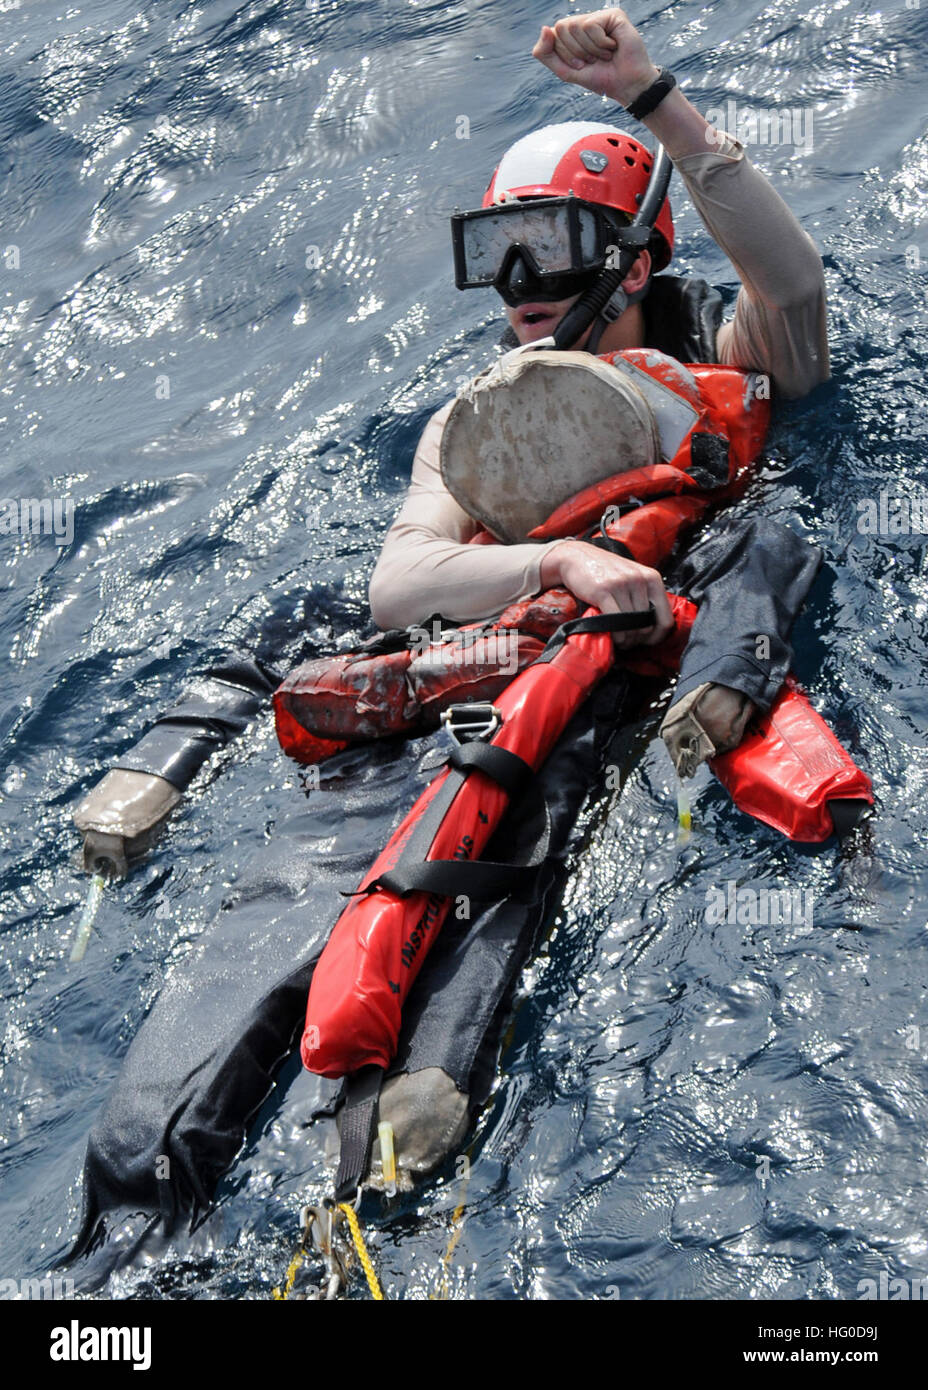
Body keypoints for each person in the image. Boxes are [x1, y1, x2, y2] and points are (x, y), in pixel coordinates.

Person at [368, 6, 829, 697]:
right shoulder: (477, 420)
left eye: (549, 244)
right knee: (293, 631)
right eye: (495, 249)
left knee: (770, 545)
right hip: (529, 640)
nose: (518, 279)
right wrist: (561, 564)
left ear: (633, 269)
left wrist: (649, 96)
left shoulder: (735, 353)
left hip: (691, 628)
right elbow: (397, 587)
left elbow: (792, 285)